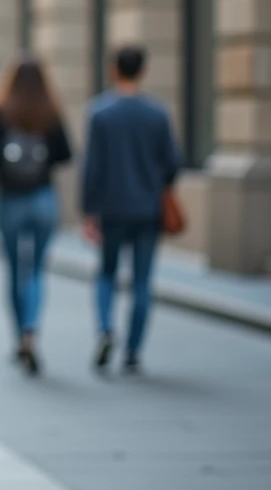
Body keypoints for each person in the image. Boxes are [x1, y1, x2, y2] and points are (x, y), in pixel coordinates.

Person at [81, 45, 181, 374]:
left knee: (107, 274)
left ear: (114, 69)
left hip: (111, 209)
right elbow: (172, 164)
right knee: (142, 281)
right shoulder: (157, 113)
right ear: (143, 70)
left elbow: (92, 168)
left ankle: (106, 329)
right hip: (147, 209)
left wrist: (89, 211)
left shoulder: (100, 113)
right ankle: (134, 350)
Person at [0, 58, 72, 375]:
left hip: (11, 201)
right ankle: (31, 330)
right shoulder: (51, 112)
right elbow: (65, 154)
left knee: (16, 270)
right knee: (36, 271)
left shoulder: (0, 112)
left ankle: (20, 336)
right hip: (44, 199)